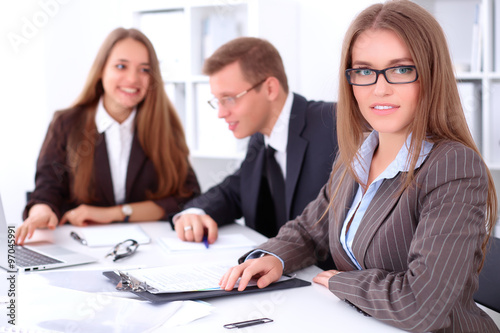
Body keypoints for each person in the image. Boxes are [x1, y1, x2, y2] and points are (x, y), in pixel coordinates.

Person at [220, 1, 499, 332]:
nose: (380, 88)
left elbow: (423, 306)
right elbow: (312, 228)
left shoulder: (452, 166)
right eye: (365, 71)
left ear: (431, 74)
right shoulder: (356, 154)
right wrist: (271, 257)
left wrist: (343, 283)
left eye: (401, 69)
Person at [16, 28, 200, 245]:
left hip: (148, 247)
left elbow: (187, 196)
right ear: (101, 70)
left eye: (144, 69)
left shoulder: (165, 124)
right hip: (80, 243)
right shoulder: (66, 123)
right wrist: (41, 212)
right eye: (121, 66)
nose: (133, 79)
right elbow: (48, 187)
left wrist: (114, 213)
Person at [173, 37, 338, 249]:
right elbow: (233, 191)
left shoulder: (333, 124)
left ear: (270, 88)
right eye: (217, 101)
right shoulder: (261, 137)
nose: (221, 113)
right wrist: (194, 213)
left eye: (229, 98)